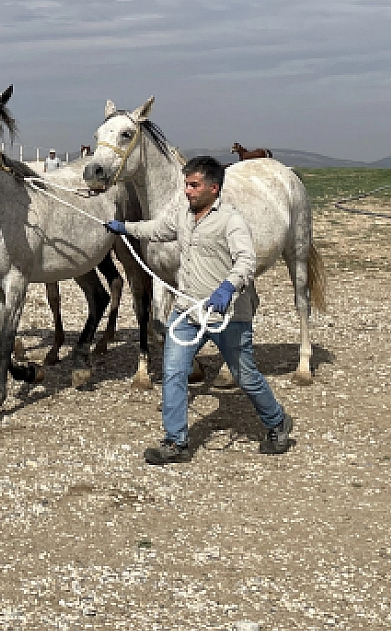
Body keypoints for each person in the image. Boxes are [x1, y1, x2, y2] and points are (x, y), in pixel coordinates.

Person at [106, 155, 293, 464]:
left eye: (194, 186)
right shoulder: (182, 216)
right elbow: (156, 229)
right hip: (187, 310)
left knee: (245, 376)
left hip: (227, 314)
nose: (187, 191)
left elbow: (246, 261)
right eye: (186, 184)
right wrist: (123, 227)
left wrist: (227, 287)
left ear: (213, 189)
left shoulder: (231, 220)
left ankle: (276, 421)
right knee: (173, 371)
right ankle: (175, 442)